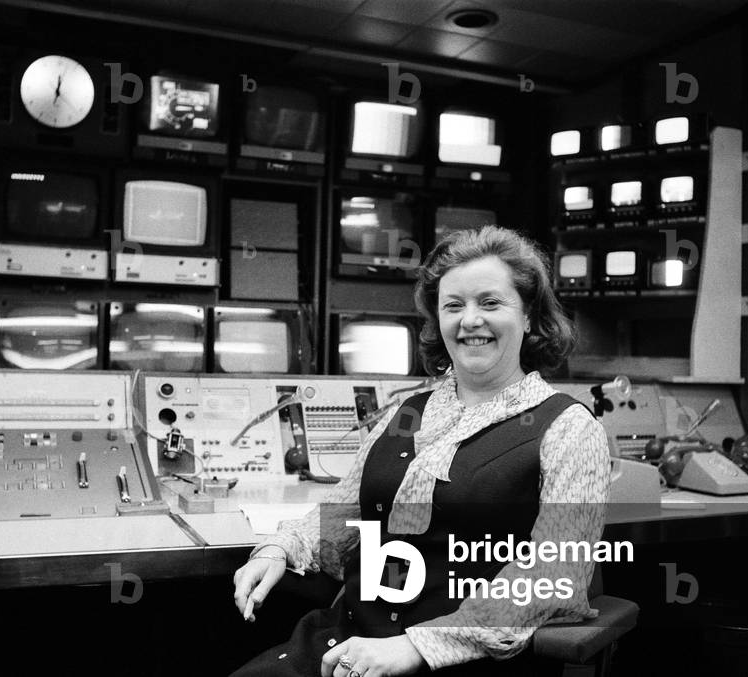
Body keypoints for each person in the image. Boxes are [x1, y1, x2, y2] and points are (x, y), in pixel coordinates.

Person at [231, 226, 610, 677]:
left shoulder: (568, 428)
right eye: (453, 306)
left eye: (490, 303)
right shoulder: (407, 412)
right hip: (349, 642)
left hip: (457, 659)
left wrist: (417, 647)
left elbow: (555, 577)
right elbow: (345, 514)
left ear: (529, 315)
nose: (470, 320)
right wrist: (280, 546)